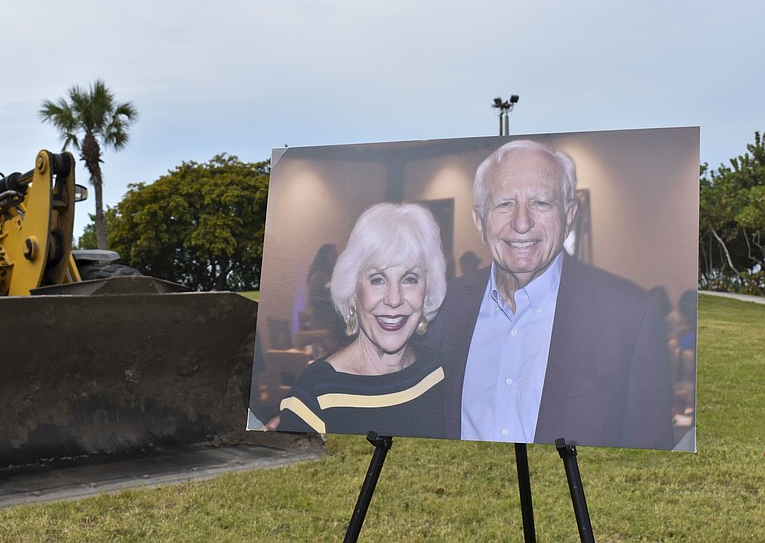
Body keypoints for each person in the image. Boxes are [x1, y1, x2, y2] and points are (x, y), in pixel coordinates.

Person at [426, 139, 674, 449]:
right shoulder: (444, 308)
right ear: (479, 219)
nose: (521, 222)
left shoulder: (630, 317)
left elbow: (651, 461)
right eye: (504, 203)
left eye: (541, 203)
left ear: (569, 215)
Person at [277, 202, 448, 438]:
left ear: (427, 291)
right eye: (377, 279)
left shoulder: (439, 373)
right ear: (352, 291)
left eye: (409, 279)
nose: (394, 299)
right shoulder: (314, 398)